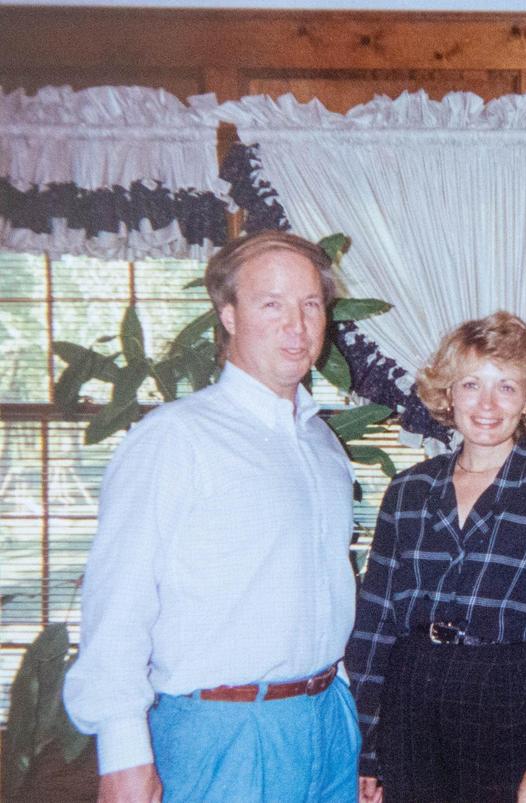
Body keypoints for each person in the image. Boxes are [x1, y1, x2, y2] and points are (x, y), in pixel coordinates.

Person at [63, 230, 360, 802]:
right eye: (271, 304)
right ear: (228, 315)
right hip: (222, 734)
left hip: (329, 722)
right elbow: (118, 600)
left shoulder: (323, 444)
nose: (296, 326)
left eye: (311, 304)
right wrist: (124, 755)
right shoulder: (175, 438)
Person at [347, 311, 526, 803]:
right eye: (471, 384)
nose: (487, 404)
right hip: (412, 697)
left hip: (509, 699)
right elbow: (376, 624)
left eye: (506, 387)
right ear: (448, 394)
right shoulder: (408, 490)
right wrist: (370, 749)